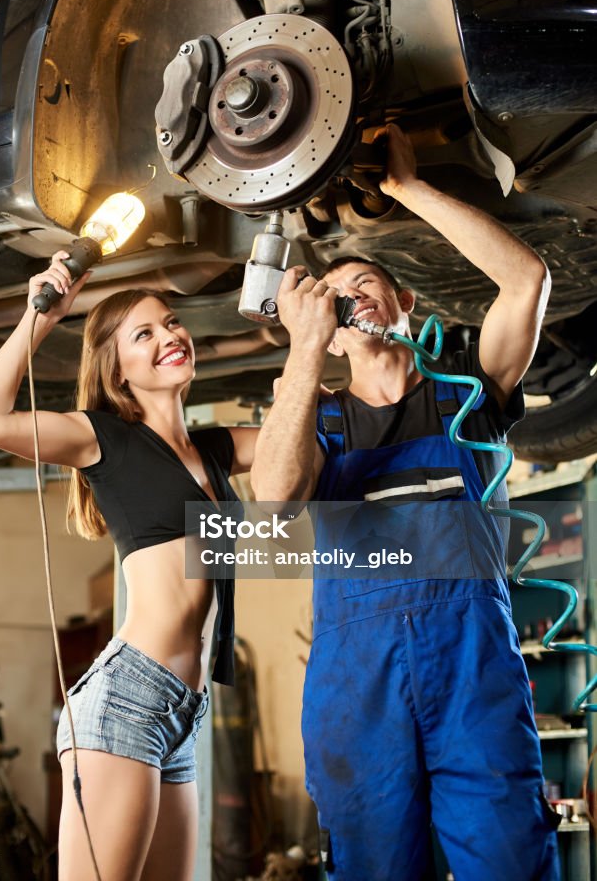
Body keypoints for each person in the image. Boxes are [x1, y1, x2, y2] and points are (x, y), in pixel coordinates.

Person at [251, 123, 559, 881]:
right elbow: (274, 498)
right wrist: (300, 350)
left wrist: (408, 190)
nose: (350, 298)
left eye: (365, 285)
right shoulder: (315, 418)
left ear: (403, 302)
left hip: (472, 680)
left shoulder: (467, 395)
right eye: (334, 297)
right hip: (358, 692)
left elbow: (526, 282)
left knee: (508, 859)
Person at [0, 254, 257, 881]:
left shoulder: (216, 449)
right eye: (143, 334)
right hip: (127, 698)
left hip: (183, 709)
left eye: (171, 323)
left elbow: (303, 441)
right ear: (116, 371)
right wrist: (42, 319)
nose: (170, 336)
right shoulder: (105, 438)